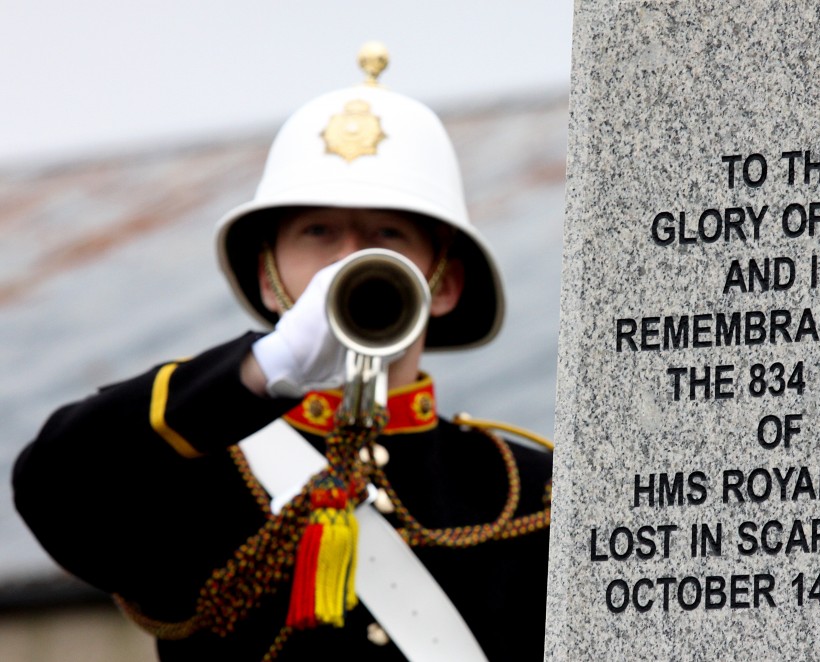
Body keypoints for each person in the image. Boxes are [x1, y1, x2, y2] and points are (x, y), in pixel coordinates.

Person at [12, 43, 552, 661]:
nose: (350, 258)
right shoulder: (191, 473)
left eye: (388, 234)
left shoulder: (532, 492)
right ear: (268, 278)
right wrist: (266, 368)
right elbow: (52, 485)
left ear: (446, 283)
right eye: (317, 232)